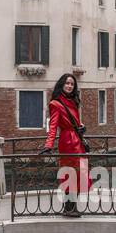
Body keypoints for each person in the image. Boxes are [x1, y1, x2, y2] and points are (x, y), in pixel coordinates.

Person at [43, 72, 89, 216]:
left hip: (77, 140)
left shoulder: (73, 100)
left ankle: (72, 207)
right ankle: (68, 208)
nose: (69, 86)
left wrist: (81, 126)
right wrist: (48, 145)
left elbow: (75, 121)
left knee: (79, 174)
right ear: (62, 85)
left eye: (72, 84)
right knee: (70, 174)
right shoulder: (55, 104)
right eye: (67, 83)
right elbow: (53, 126)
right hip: (68, 142)